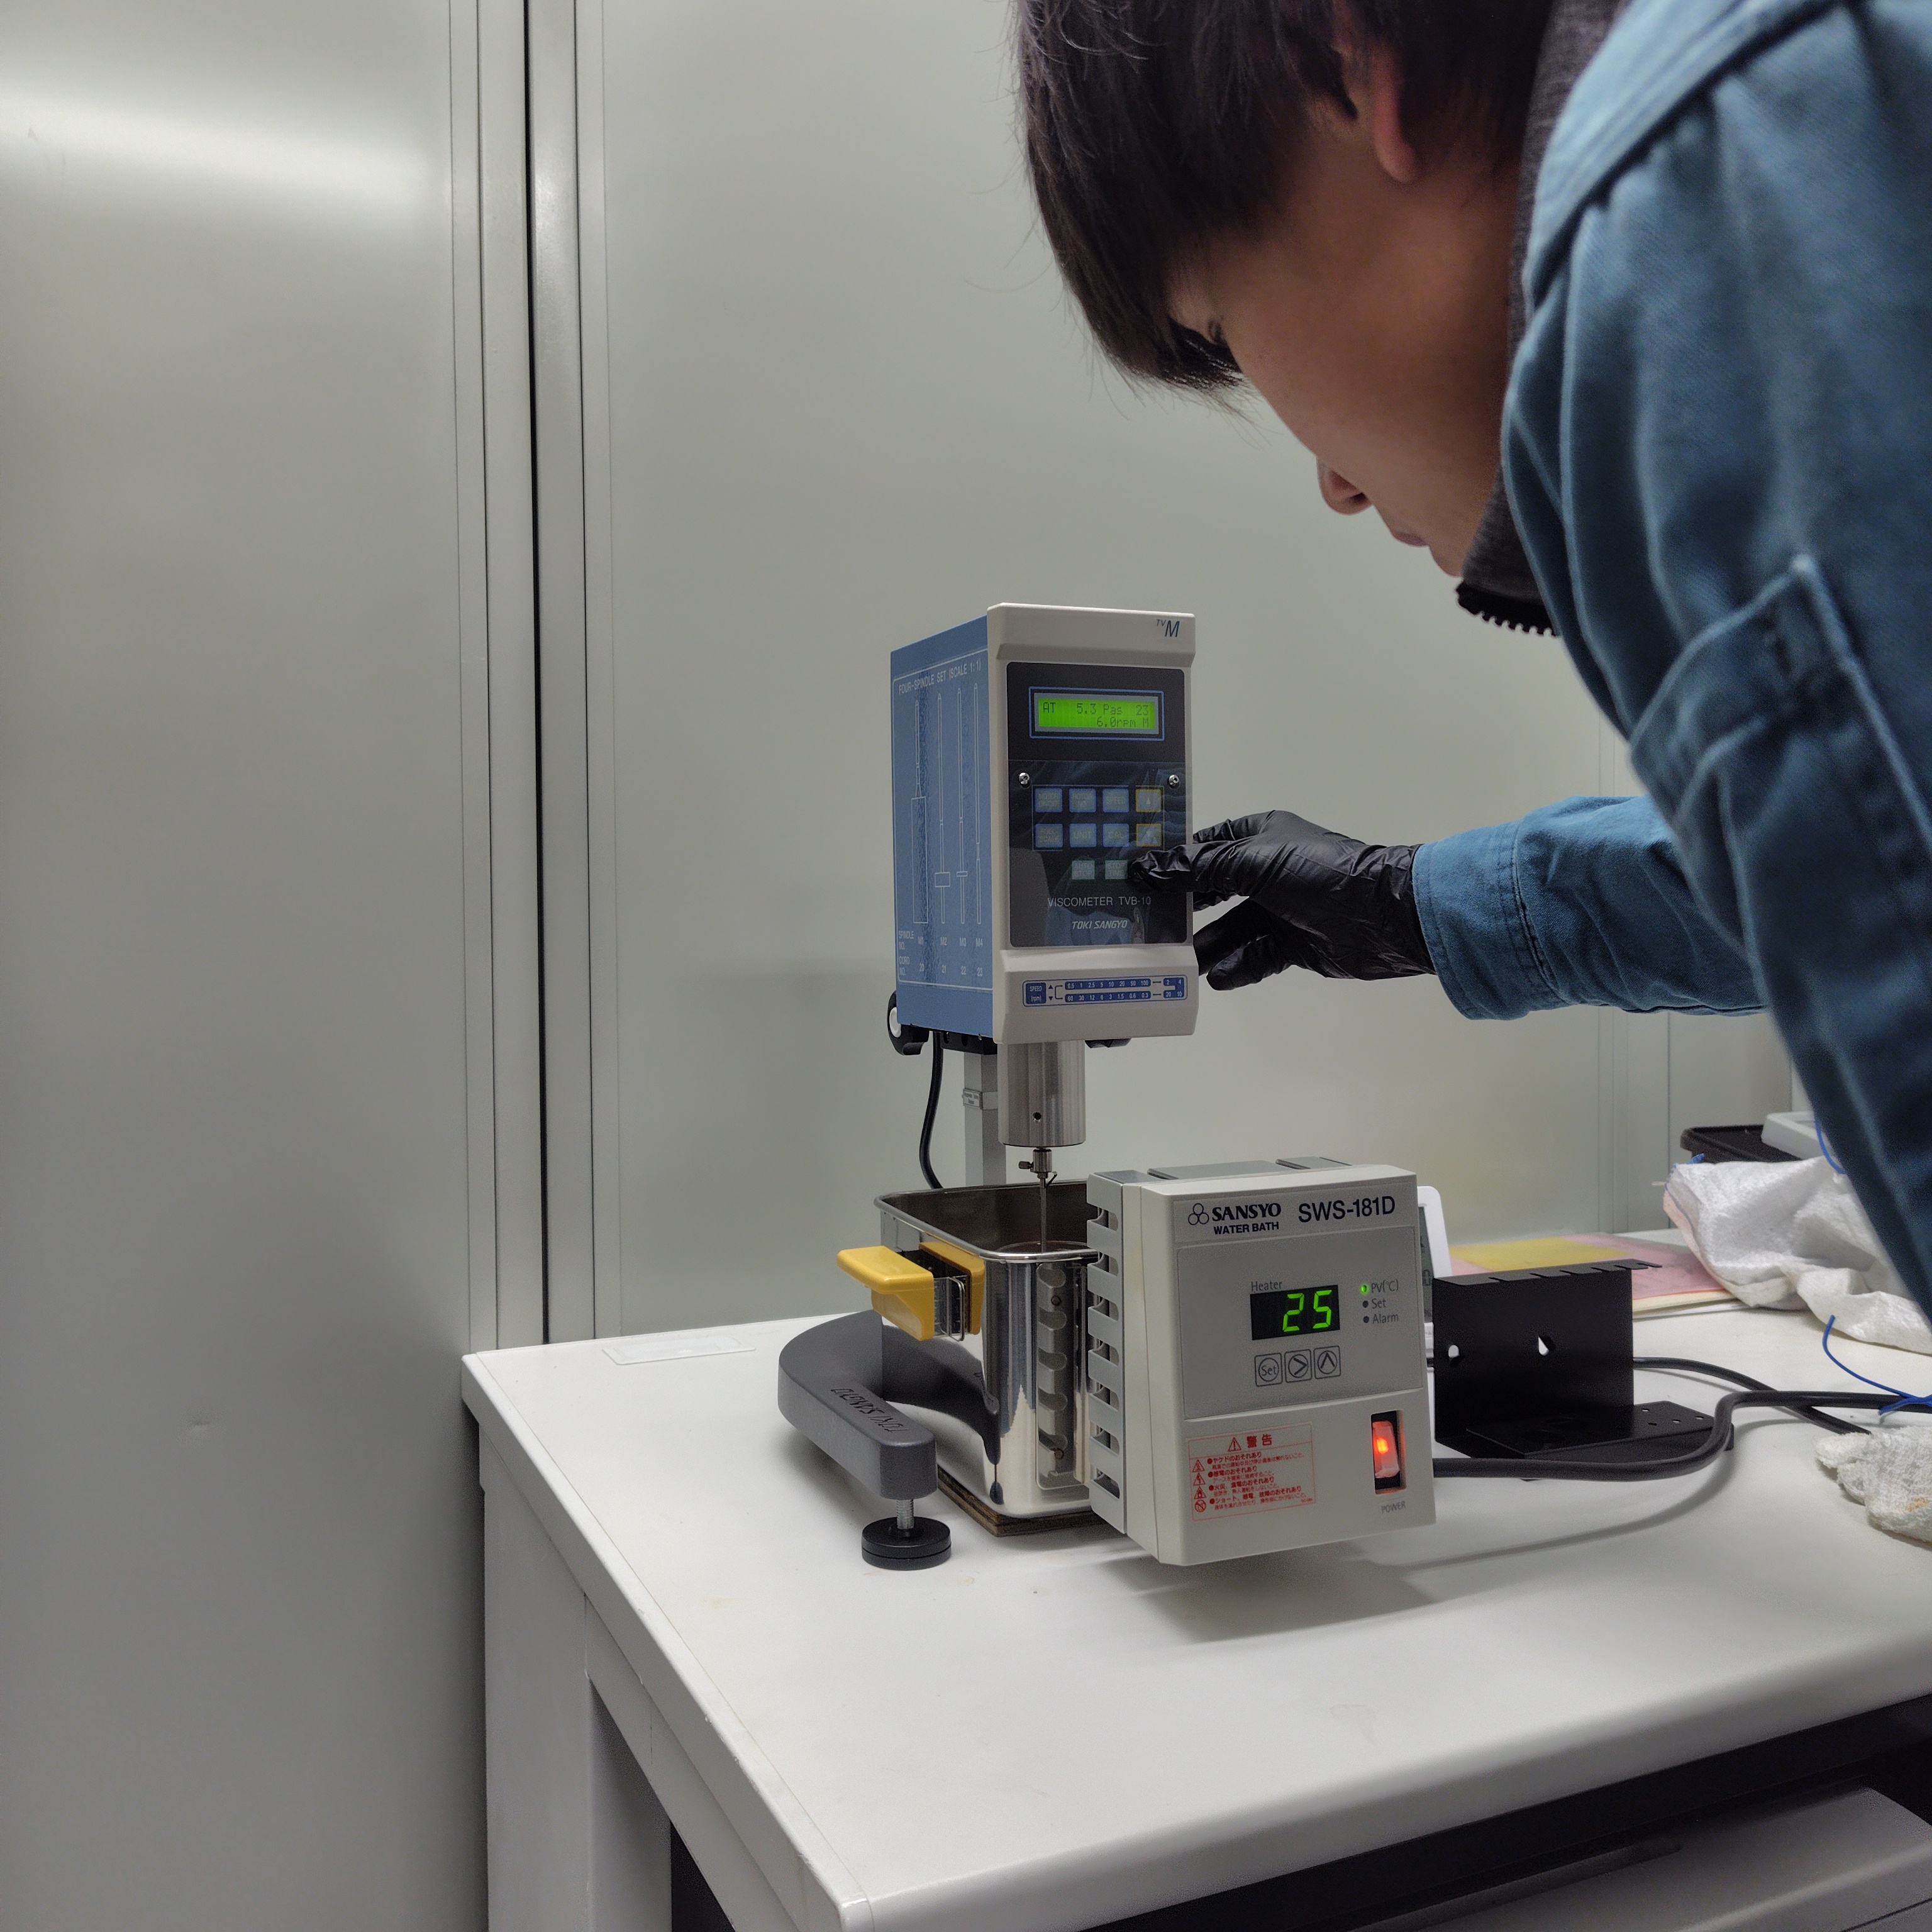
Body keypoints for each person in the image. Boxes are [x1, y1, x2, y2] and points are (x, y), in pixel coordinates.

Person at [1015, 0, 1932, 1320]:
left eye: (1220, 327)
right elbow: (1842, 859)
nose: (1332, 483)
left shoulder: (1694, 192)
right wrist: (1407, 902)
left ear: (1345, 60)